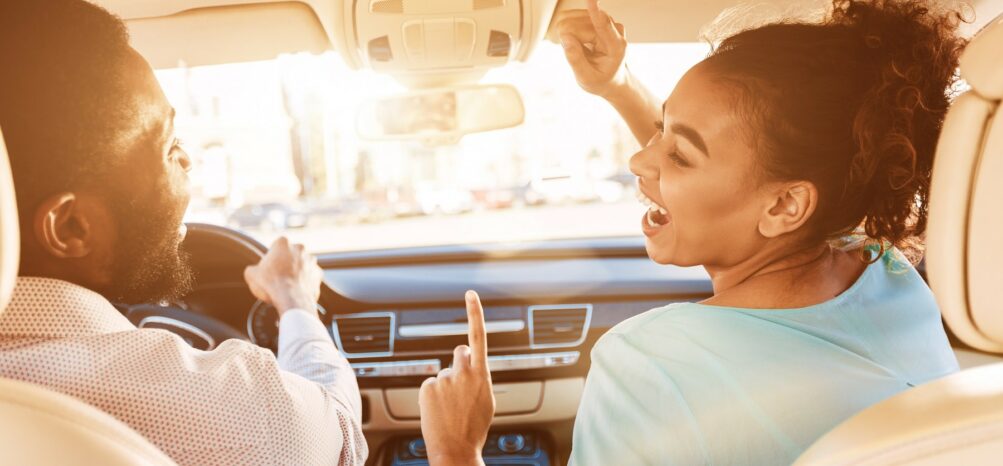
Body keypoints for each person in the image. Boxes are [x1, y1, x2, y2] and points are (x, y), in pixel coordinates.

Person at [417, 0, 965, 464]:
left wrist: (456, 450)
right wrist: (619, 87)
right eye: (661, 131)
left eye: (677, 153)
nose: (638, 160)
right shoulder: (890, 277)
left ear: (785, 205)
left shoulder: (645, 366)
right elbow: (741, 169)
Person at [0, 1, 366, 464]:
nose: (188, 160)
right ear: (71, 227)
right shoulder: (233, 411)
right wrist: (294, 301)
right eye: (169, 145)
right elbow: (338, 430)